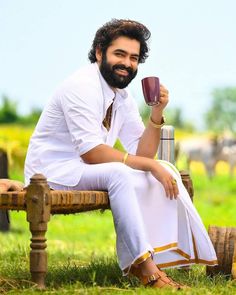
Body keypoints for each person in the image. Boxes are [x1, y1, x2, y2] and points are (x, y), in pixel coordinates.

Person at [24, 19, 217, 290]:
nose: (127, 63)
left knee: (161, 168)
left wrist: (156, 113)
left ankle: (166, 255)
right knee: (121, 172)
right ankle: (145, 268)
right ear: (100, 52)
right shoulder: (82, 86)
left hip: (84, 170)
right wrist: (150, 165)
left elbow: (140, 151)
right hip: (52, 170)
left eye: (134, 58)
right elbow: (92, 152)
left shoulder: (122, 96)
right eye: (120, 54)